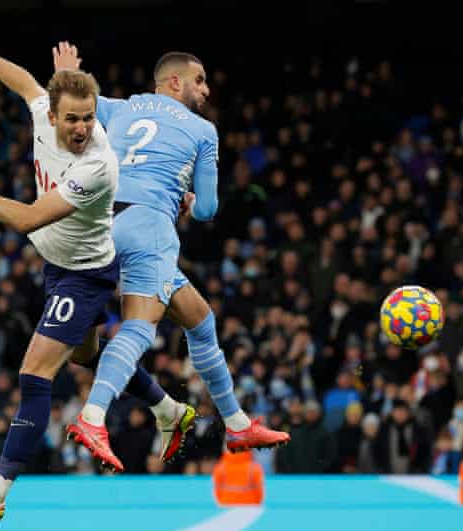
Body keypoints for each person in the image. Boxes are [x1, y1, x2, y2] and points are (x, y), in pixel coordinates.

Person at [0, 20, 193, 522]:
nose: (82, 129)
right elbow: (26, 84)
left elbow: (30, 218)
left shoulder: (96, 164)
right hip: (58, 267)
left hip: (85, 274)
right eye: (73, 119)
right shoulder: (45, 110)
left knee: (35, 373)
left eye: (88, 118)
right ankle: (168, 408)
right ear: (53, 115)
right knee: (87, 357)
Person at [52, 44, 289, 468]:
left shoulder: (119, 108)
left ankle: (235, 423)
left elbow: (77, 104)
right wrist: (190, 199)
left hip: (99, 222)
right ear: (175, 82)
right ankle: (92, 416)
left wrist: (69, 74)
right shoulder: (203, 130)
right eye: (199, 80)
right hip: (148, 226)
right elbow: (208, 210)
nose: (207, 89)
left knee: (199, 318)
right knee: (141, 328)